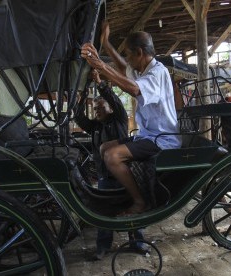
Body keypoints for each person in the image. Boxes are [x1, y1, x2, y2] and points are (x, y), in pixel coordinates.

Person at [81, 21, 181, 215]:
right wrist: (106, 44)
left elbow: (134, 89)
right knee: (104, 147)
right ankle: (126, 186)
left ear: (140, 53)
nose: (127, 59)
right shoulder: (141, 70)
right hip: (147, 136)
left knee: (112, 156)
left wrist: (100, 65)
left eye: (128, 54)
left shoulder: (157, 72)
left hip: (162, 139)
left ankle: (139, 201)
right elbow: (123, 68)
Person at [74, 69, 145, 260]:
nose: (97, 111)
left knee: (131, 208)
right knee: (104, 213)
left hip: (124, 174)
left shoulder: (119, 118)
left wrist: (100, 83)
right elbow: (78, 117)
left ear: (109, 108)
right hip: (105, 177)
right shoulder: (95, 127)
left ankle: (137, 243)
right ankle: (103, 247)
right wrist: (82, 97)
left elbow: (114, 99)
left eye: (100, 108)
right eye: (95, 109)